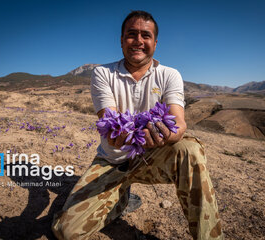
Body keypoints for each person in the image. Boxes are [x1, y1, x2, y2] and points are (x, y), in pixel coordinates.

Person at [51, 10, 224, 240]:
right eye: (132, 34)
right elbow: (110, 122)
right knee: (65, 231)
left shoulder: (169, 75)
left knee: (190, 150)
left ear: (155, 42)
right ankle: (119, 200)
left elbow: (178, 123)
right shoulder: (103, 74)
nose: (139, 41)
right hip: (111, 161)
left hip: (152, 156)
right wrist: (119, 135)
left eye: (146, 35)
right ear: (122, 41)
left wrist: (168, 136)